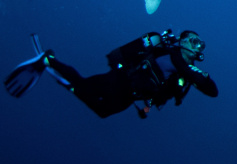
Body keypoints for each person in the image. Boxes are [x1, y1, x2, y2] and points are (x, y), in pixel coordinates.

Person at [4, 29, 218, 118]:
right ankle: (48, 60)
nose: (198, 46)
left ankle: (59, 73)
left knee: (101, 111)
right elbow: (197, 78)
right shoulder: (175, 57)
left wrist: (148, 106)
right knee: (83, 85)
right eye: (194, 41)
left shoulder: (184, 75)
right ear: (182, 42)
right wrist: (196, 73)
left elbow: (210, 91)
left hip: (130, 95)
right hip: (121, 80)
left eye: (201, 44)